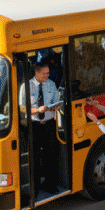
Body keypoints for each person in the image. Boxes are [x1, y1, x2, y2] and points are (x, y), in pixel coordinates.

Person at [30, 63, 61, 195]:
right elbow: (22, 107)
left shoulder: (51, 84)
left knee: (50, 155)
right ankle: (35, 187)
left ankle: (49, 184)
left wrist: (55, 106)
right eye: (44, 73)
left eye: (48, 73)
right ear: (36, 73)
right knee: (35, 157)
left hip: (49, 123)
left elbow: (56, 101)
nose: (47, 76)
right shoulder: (27, 86)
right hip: (34, 125)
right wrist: (37, 110)